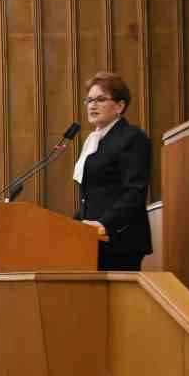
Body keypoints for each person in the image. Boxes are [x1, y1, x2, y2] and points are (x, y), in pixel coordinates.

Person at [73, 71, 153, 270]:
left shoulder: (132, 138)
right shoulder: (93, 141)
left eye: (100, 99)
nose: (92, 105)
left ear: (120, 106)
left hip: (119, 239)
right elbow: (92, 196)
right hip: (92, 240)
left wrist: (104, 224)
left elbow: (135, 191)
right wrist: (73, 226)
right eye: (89, 100)